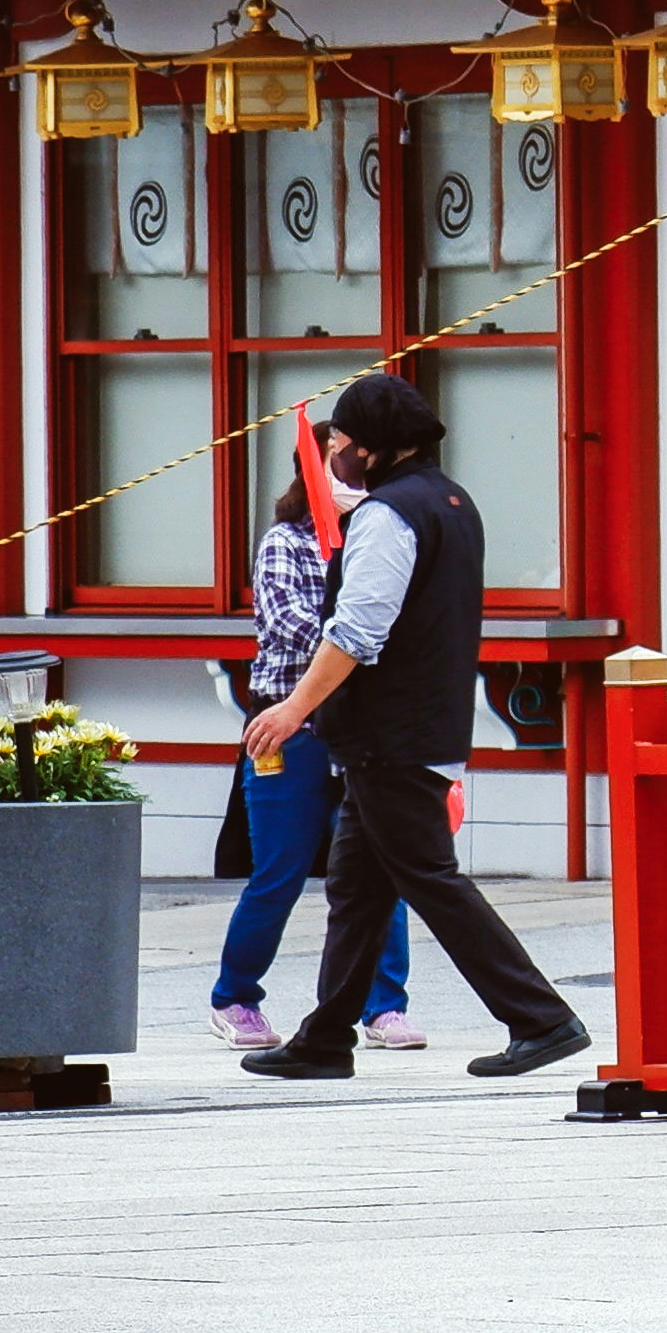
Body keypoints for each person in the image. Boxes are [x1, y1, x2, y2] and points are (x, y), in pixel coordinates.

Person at [236, 371, 594, 1082]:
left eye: (340, 440)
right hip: (422, 724)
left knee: (431, 880)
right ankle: (327, 1036)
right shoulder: (454, 503)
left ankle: (541, 1017)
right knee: (358, 889)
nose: (333, 451)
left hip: (388, 734)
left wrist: (292, 708)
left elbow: (356, 632)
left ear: (369, 450)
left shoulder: (387, 516)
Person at [208, 408, 414, 1054]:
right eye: (338, 461)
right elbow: (293, 624)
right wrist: (355, 629)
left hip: (362, 728)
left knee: (382, 867)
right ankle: (234, 995)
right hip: (287, 726)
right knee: (281, 870)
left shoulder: (379, 533)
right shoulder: (284, 542)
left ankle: (384, 1005)